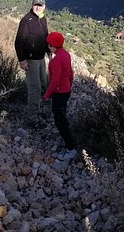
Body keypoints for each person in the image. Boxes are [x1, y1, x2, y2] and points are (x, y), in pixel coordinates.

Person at [14, 0, 50, 127]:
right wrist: (22, 60)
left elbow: (46, 36)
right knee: (34, 88)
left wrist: (49, 52)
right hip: (31, 60)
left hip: (41, 58)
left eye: (40, 5)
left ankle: (37, 110)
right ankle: (32, 119)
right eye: (36, 5)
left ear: (44, 7)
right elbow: (18, 42)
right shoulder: (26, 20)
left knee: (43, 84)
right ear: (32, 5)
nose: (38, 7)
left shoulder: (42, 18)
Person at [43, 31, 78, 160]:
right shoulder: (66, 55)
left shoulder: (55, 61)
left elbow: (54, 80)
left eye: (48, 44)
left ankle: (71, 148)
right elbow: (70, 72)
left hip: (59, 93)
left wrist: (46, 95)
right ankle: (69, 142)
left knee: (60, 120)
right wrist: (69, 84)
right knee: (63, 116)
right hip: (66, 90)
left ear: (52, 45)